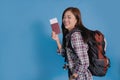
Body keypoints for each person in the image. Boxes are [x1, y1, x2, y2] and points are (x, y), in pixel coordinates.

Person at [51, 7, 93, 80]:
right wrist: (57, 40)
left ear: (76, 20)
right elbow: (65, 54)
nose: (65, 20)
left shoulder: (75, 36)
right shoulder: (69, 35)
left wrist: (72, 77)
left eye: (69, 17)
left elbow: (84, 62)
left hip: (81, 77)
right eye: (64, 17)